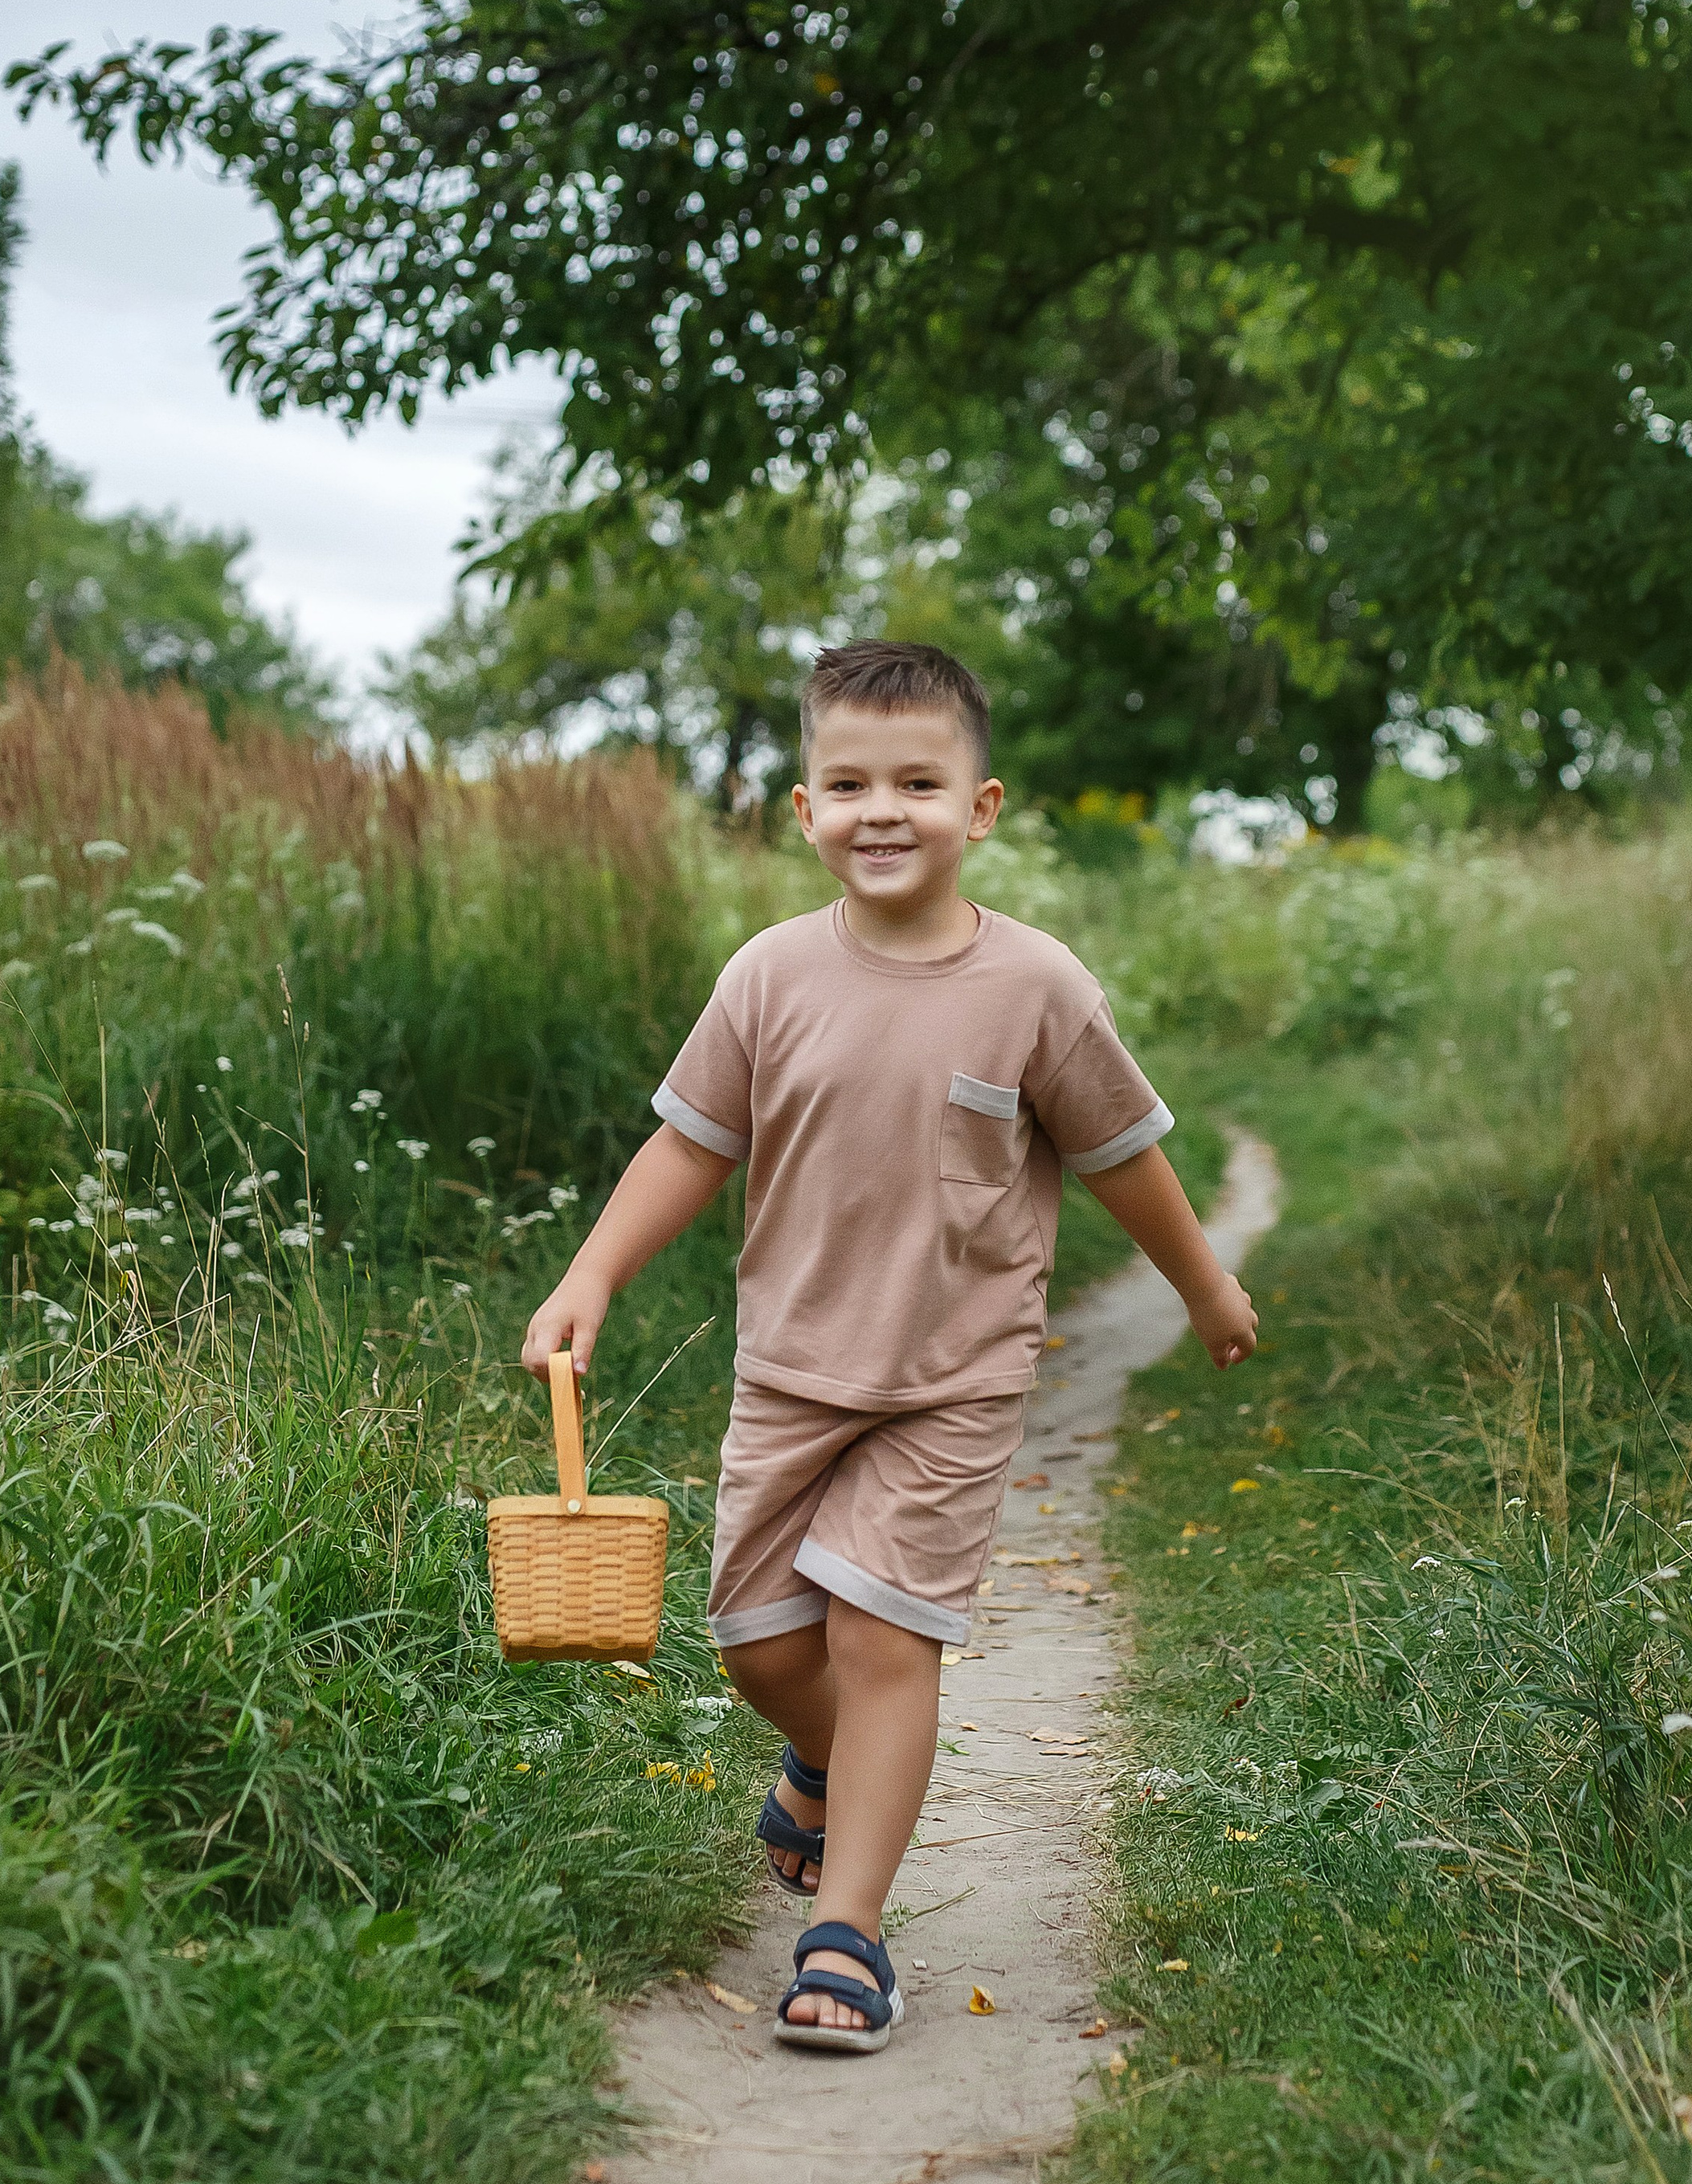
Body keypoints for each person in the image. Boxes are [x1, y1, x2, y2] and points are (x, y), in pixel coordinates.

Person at [522, 639, 1257, 2053]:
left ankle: (845, 1930)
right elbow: (690, 1144)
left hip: (953, 1379)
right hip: (790, 1367)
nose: (881, 808)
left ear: (979, 808)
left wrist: (1207, 1285)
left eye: (917, 781)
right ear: (802, 809)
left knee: (879, 1633)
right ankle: (819, 1760)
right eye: (848, 779)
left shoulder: (1035, 984)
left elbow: (1126, 1158)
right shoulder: (768, 975)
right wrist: (592, 1271)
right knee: (756, 1641)